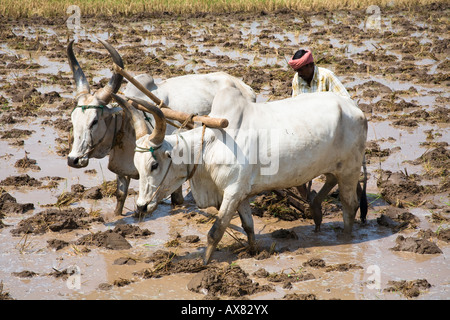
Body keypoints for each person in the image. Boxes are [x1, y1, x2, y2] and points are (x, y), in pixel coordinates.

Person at [288, 49, 351, 205]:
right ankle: (307, 199)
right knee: (292, 162)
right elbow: (294, 107)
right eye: (296, 70)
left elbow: (347, 102)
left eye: (301, 69)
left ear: (311, 65)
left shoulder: (326, 77)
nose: (299, 73)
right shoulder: (297, 79)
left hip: (330, 132)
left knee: (340, 168)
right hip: (307, 131)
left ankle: (346, 196)